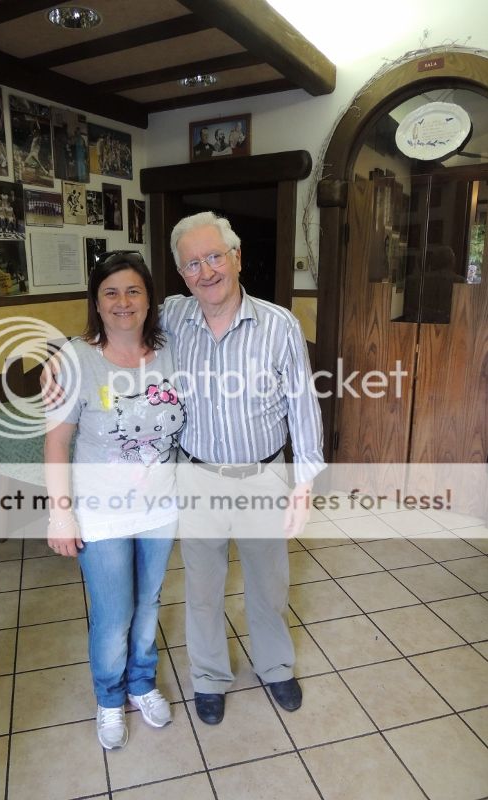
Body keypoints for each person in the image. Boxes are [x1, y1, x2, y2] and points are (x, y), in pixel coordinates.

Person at [43, 213, 324, 726]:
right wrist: (63, 359)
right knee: (202, 589)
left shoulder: (280, 324)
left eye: (215, 256)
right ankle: (210, 678)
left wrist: (303, 484)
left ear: (237, 257)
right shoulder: (173, 319)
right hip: (193, 477)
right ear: (180, 273)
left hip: (263, 476)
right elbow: (114, 323)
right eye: (192, 263)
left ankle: (275, 666)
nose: (206, 271)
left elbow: (303, 406)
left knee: (268, 585)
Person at [44, 252, 186, 750]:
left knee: (148, 604)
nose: (123, 302)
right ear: (97, 302)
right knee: (113, 615)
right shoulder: (75, 360)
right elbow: (56, 443)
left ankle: (141, 684)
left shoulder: (171, 350)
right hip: (101, 513)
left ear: (149, 300)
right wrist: (60, 514)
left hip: (161, 508)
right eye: (111, 292)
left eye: (133, 291)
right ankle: (108, 697)